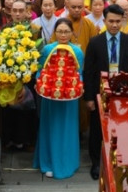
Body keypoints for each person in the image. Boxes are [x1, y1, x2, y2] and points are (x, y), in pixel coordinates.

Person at [83, 4, 128, 180]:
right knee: (97, 129)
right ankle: (96, 163)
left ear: (123, 21)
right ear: (105, 21)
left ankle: (120, 161)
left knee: (120, 127)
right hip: (100, 91)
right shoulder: (95, 42)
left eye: (117, 21)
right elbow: (89, 72)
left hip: (122, 92)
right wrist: (90, 98)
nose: (114, 25)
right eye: (111, 21)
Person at [33, 18, 85, 179]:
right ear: (55, 32)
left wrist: (76, 86)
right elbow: (40, 69)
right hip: (49, 97)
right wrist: (41, 82)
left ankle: (67, 162)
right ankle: (47, 162)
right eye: (60, 31)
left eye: (66, 31)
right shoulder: (48, 49)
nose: (63, 35)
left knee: (67, 129)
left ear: (72, 33)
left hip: (69, 99)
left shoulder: (77, 51)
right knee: (50, 127)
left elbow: (80, 72)